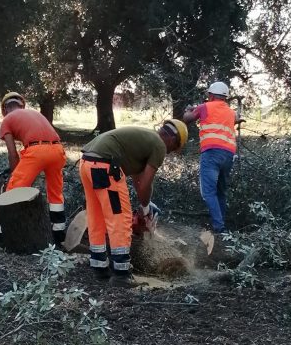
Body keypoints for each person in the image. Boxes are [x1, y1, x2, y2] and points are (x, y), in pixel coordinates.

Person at [80, 120, 188, 283]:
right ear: (173, 140)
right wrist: (144, 209)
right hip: (106, 165)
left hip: (87, 162)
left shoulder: (144, 140)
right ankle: (121, 273)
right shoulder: (159, 145)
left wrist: (146, 205)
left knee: (97, 216)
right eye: (173, 149)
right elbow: (145, 185)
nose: (169, 153)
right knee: (120, 218)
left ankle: (99, 267)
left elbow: (139, 182)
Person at [0, 91, 67, 246]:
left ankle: (2, 235)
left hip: (36, 151)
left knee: (13, 192)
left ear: (4, 109)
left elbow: (12, 154)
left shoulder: (7, 120)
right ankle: (58, 236)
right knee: (55, 193)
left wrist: (14, 174)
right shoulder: (34, 113)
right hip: (57, 150)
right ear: (23, 105)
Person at [183, 81, 239, 234]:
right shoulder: (231, 112)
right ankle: (223, 229)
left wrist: (188, 110)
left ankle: (219, 229)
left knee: (208, 192)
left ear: (211, 95)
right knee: (221, 191)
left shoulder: (204, 107)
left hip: (212, 153)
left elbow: (187, 119)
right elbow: (235, 118)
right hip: (228, 155)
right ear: (225, 97)